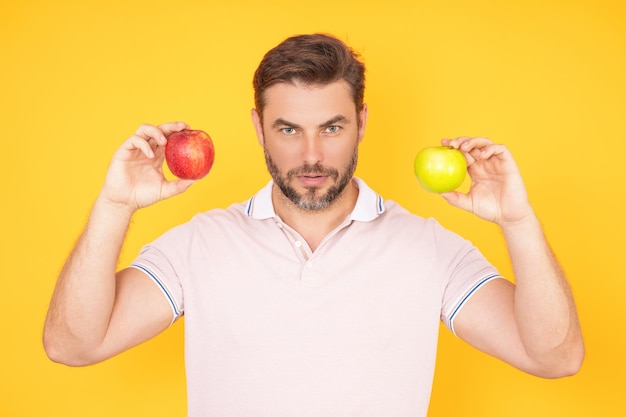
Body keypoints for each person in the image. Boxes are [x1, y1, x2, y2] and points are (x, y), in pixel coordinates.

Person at [43, 33, 584, 417]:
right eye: (287, 128)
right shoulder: (199, 245)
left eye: (331, 127)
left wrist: (517, 220)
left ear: (362, 123)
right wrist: (115, 205)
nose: (311, 155)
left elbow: (554, 357)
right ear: (258, 128)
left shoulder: (430, 249)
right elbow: (73, 346)